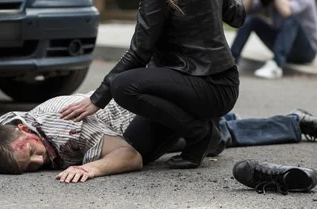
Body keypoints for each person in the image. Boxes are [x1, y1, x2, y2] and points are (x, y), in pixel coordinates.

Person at [0, 92, 317, 185]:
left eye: (31, 155)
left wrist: (92, 168)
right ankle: (292, 121)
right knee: (225, 131)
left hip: (145, 120)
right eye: (30, 167)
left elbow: (128, 155)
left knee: (219, 136)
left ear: (23, 131)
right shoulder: (6, 138)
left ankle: (294, 121)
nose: (38, 163)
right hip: (148, 127)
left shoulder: (60, 122)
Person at [59, 0, 247, 169]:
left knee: (122, 86)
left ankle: (200, 134)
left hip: (210, 86)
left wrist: (97, 99)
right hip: (214, 87)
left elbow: (138, 54)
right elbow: (238, 18)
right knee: (136, 149)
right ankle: (211, 135)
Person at [229, 0, 317, 79]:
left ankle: (276, 65)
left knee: (291, 20)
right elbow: (243, 11)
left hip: (306, 51)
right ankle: (230, 62)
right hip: (284, 44)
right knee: (251, 20)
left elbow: (287, 11)